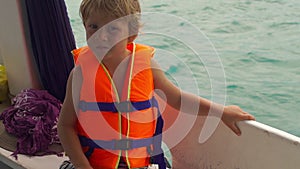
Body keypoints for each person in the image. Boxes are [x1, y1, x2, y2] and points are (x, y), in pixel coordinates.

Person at [57, 0, 255, 169]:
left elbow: (177, 98)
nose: (102, 36)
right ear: (84, 26)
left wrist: (221, 111)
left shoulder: (146, 66)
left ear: (131, 34)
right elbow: (65, 126)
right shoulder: (80, 75)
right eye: (94, 27)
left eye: (113, 28)